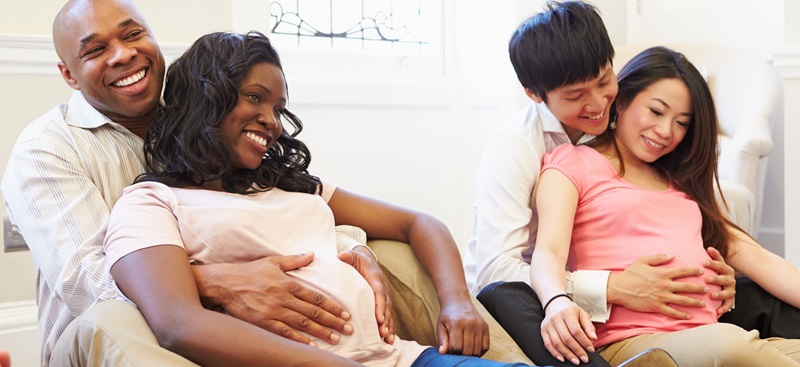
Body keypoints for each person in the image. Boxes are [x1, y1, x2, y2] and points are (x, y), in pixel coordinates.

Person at [102, 30, 541, 367]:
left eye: (277, 107)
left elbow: (417, 223)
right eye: (255, 98)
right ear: (205, 98)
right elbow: (179, 325)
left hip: (405, 359)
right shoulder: (150, 203)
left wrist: (457, 300)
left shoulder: (287, 184)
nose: (271, 121)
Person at [0, 0, 394, 365]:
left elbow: (277, 203)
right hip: (115, 339)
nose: (123, 54)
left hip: (224, 330)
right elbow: (86, 284)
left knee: (393, 257)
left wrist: (349, 247)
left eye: (133, 34)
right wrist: (216, 282)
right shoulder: (45, 149)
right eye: (95, 50)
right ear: (69, 74)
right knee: (113, 318)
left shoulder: (201, 119)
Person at [463, 2, 736, 366]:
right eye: (576, 96)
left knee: (752, 297)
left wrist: (709, 272)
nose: (597, 104)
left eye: (605, 81)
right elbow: (497, 272)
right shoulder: (515, 148)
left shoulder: (619, 123)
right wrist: (612, 287)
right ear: (534, 93)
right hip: (533, 298)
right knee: (511, 297)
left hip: (620, 303)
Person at [532, 45, 800, 366]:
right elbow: (547, 251)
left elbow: (755, 256)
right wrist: (556, 301)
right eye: (656, 112)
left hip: (706, 334)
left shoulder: (681, 182)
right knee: (731, 345)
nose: (665, 132)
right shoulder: (573, 163)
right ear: (622, 100)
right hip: (633, 343)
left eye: (682, 123)